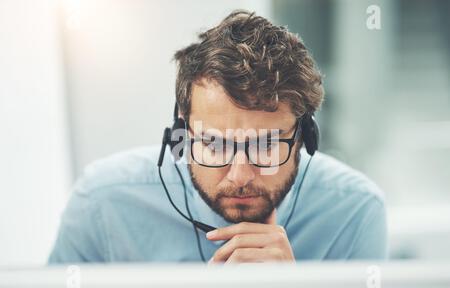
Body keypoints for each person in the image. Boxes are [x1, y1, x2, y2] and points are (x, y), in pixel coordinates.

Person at [48, 10, 387, 264]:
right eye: (214, 143)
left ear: (304, 137)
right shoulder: (101, 203)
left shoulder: (354, 211)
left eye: (266, 144)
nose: (240, 176)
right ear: (181, 136)